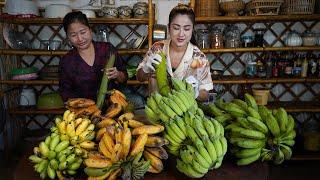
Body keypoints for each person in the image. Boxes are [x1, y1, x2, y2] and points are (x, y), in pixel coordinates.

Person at [136, 4, 213, 101]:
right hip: (156, 109)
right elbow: (139, 78)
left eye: (186, 29)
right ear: (169, 28)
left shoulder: (199, 58)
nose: (181, 34)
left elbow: (206, 95)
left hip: (185, 111)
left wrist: (196, 91)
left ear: (192, 29)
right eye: (176, 28)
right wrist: (145, 69)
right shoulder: (157, 48)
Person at [59, 11, 128, 102]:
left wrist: (118, 74)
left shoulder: (107, 50)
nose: (80, 39)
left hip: (113, 108)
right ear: (68, 37)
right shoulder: (67, 61)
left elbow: (124, 78)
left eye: (83, 32)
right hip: (84, 111)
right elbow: (65, 93)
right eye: (73, 35)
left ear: (90, 31)